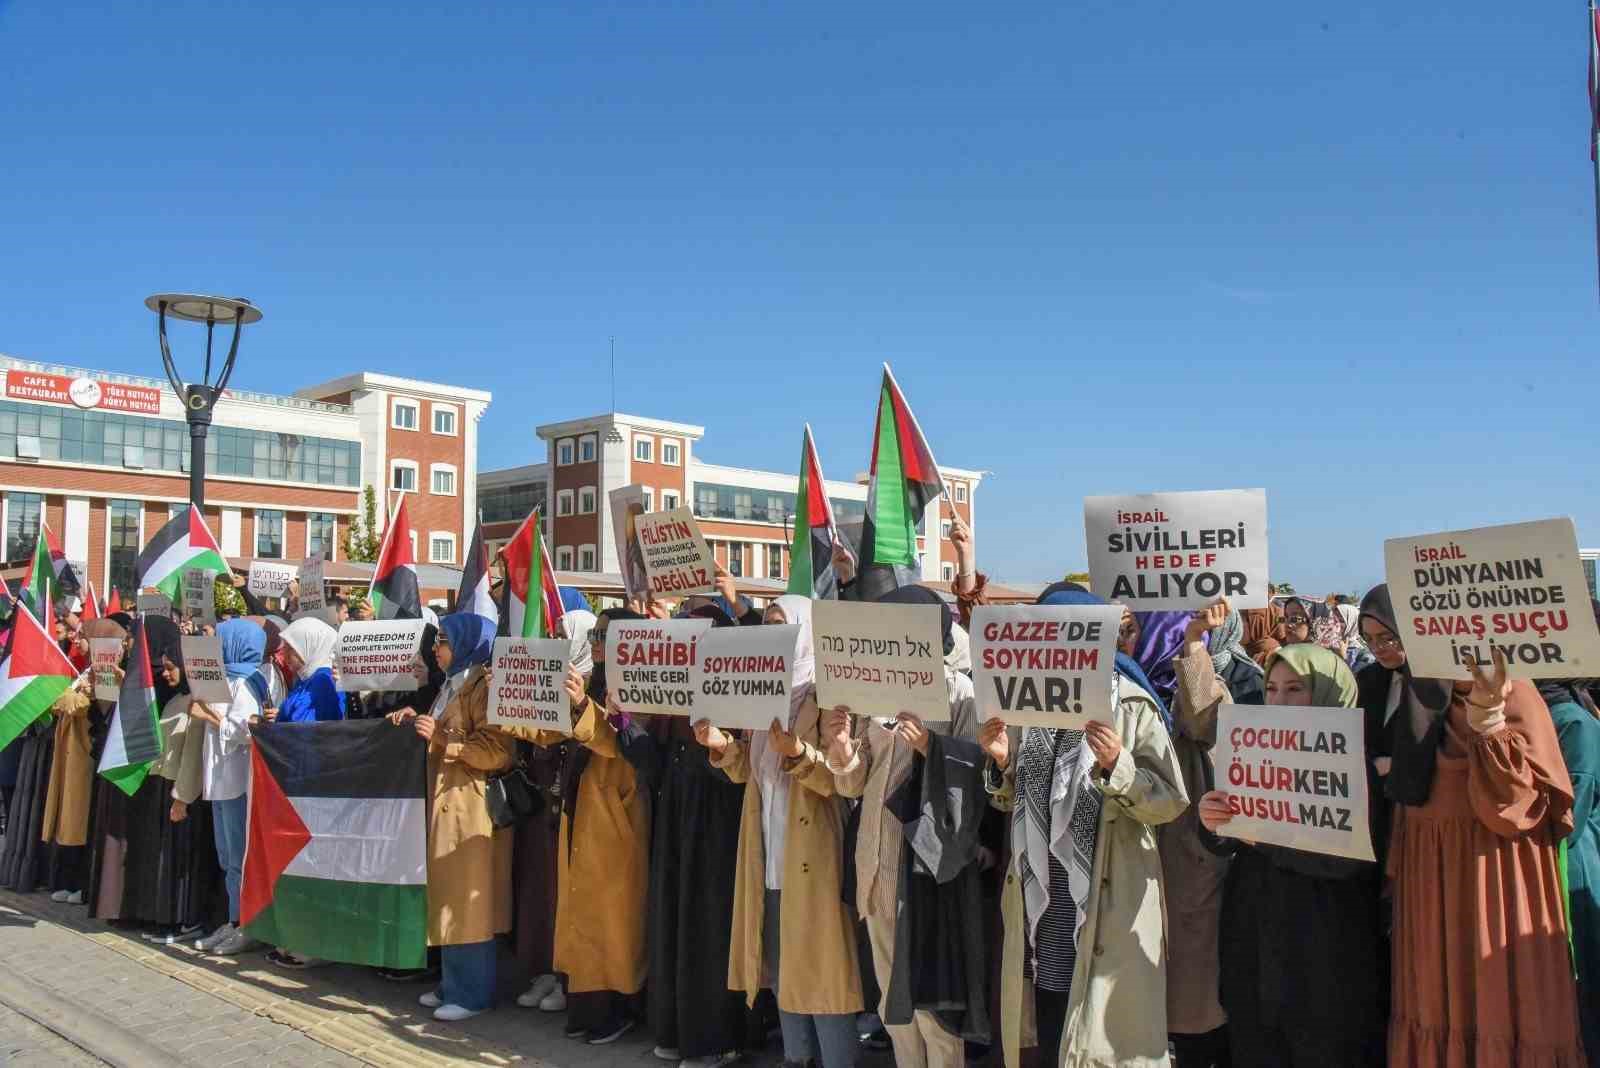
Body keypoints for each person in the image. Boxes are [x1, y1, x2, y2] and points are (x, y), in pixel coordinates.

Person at [978, 585, 1188, 1068]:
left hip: (1106, 900)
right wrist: (1003, 763)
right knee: (1055, 1024)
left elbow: (1170, 801)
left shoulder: (1131, 704)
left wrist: (1119, 763)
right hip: (1046, 901)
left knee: (1102, 1041)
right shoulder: (1027, 703)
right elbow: (1016, 797)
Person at [1381, 639, 1585, 1066]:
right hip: (1432, 889)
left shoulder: (1521, 695)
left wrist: (1489, 720)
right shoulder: (1420, 697)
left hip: (1499, 884)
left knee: (1502, 1008)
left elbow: (1517, 810)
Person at [1195, 644, 1386, 1067]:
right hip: (1255, 940)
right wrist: (1213, 819)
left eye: (1295, 689)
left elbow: (1347, 862)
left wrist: (1262, 838)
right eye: (1272, 689)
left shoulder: (1357, 768)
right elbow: (1225, 840)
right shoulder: (1252, 752)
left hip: (1325, 948)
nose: (1279, 701)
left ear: (1327, 692)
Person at [694, 594, 863, 1068]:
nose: (774, 633)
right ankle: (797, 1057)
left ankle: (838, 1059)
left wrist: (798, 754)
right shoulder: (760, 693)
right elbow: (752, 774)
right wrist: (721, 745)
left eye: (781, 624)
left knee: (823, 974)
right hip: (768, 852)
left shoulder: (828, 695)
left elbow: (842, 780)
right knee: (783, 967)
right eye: (767, 624)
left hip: (814, 856)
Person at [826, 585, 987, 1068]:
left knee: (931, 1002)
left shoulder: (958, 690)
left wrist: (928, 750)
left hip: (926, 870)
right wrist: (841, 750)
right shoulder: (868, 687)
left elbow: (979, 776)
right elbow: (854, 785)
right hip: (875, 864)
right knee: (890, 1001)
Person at [499, 607, 658, 1044]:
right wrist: (507, 706)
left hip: (618, 814)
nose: (601, 644)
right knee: (585, 914)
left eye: (608, 635)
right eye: (599, 635)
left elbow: (622, 742)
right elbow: (555, 730)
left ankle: (620, 1008)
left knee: (615, 918)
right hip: (584, 810)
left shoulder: (646, 681)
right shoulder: (595, 682)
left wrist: (583, 706)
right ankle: (587, 1006)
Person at [388, 614, 514, 1021]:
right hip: (446, 801)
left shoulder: (485, 686)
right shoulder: (451, 682)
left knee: (468, 903)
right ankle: (452, 983)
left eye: (442, 641)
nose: (435, 649)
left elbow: (497, 751)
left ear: (465, 643)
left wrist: (443, 739)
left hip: (470, 807)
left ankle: (472, 992)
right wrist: (414, 719)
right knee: (447, 896)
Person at [1159, 598, 1263, 1068]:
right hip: (1160, 852)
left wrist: (1194, 644)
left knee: (1194, 994)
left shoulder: (1233, 678)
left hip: (1197, 850)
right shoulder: (1130, 678)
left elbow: (1205, 718)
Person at [648, 605, 749, 1068]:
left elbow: (744, 757)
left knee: (709, 923)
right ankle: (676, 1028)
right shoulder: (675, 684)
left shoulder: (739, 684)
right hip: (677, 813)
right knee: (675, 916)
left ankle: (714, 1038)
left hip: (718, 820)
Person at [513, 611, 590, 1010]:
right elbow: (542, 729)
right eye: (555, 632)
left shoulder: (590, 681)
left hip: (579, 800)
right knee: (543, 890)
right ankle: (547, 970)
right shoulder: (555, 673)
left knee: (569, 892)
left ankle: (568, 977)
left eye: (564, 633)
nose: (557, 637)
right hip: (546, 799)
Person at [186, 618, 267, 957]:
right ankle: (232, 919)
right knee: (226, 856)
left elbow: (247, 731)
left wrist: (207, 716)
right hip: (219, 779)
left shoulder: (246, 682)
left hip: (237, 781)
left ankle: (245, 924)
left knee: (238, 858)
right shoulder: (224, 678)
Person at [1538, 669, 1600, 1064]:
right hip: (1548, 860)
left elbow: (1569, 817)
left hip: (1570, 865)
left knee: (1582, 978)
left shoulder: (1572, 722)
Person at [274, 617, 346, 722]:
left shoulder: (322, 681)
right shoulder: (306, 676)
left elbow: (302, 729)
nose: (284, 654)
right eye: (284, 647)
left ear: (310, 647)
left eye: (291, 648)